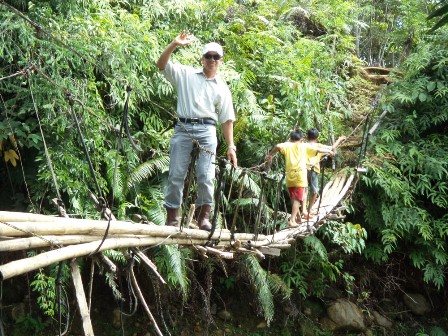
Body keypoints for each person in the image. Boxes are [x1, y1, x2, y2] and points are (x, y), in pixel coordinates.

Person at [156, 31, 237, 231]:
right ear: (202, 59)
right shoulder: (185, 74)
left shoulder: (222, 88)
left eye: (215, 57)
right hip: (183, 128)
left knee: (206, 175)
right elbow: (161, 65)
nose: (211, 60)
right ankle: (172, 219)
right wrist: (174, 44)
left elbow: (226, 119)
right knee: (176, 174)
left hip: (208, 130)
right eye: (208, 56)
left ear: (221, 61)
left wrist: (231, 146)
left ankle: (204, 218)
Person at [266, 130, 333, 228]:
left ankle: (298, 218)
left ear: (290, 139)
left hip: (289, 176)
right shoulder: (303, 146)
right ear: (301, 140)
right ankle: (292, 220)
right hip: (300, 176)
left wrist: (270, 155)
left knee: (293, 197)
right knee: (298, 199)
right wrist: (329, 151)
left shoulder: (287, 145)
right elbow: (317, 149)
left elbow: (278, 146)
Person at [306, 128, 345, 214]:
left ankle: (304, 211)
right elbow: (332, 148)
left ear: (306, 137)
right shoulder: (319, 146)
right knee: (314, 191)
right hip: (313, 170)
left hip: (302, 170)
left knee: (304, 191)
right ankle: (309, 210)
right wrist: (340, 139)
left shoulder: (303, 145)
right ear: (317, 138)